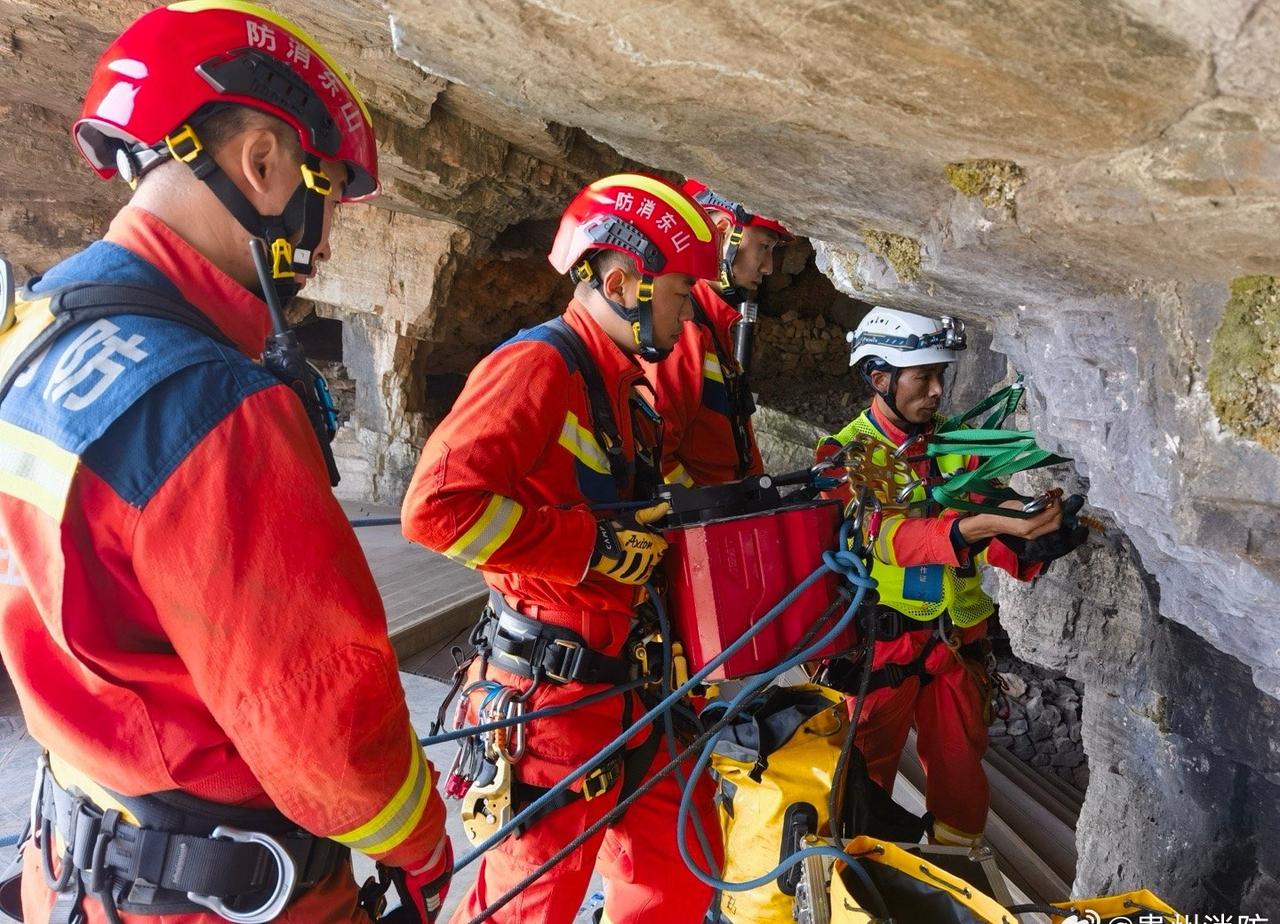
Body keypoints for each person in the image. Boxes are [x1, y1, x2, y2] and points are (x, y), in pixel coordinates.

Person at [0, 4, 450, 921]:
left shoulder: (34, 331)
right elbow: (325, 728)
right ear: (264, 165)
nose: (321, 248)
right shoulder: (211, 407)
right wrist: (425, 844)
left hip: (78, 864)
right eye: (322, 199)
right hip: (225, 894)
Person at [401, 173, 724, 923]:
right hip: (553, 698)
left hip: (632, 686)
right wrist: (589, 549)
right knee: (527, 906)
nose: (690, 311)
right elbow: (435, 510)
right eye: (680, 292)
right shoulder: (537, 367)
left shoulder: (624, 385)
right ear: (623, 282)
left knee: (680, 875)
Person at [816, 306, 1087, 847]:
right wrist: (978, 525)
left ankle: (957, 868)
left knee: (961, 775)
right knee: (861, 777)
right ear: (881, 379)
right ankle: (860, 870)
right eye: (924, 377)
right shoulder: (844, 454)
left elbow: (989, 538)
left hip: (955, 646)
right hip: (880, 649)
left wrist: (1032, 543)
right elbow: (886, 540)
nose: (939, 390)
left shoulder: (957, 444)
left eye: (943, 375)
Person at [642, 181, 791, 487]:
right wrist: (706, 510)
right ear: (723, 232)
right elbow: (656, 456)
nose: (769, 267)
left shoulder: (712, 324)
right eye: (764, 247)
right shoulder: (683, 332)